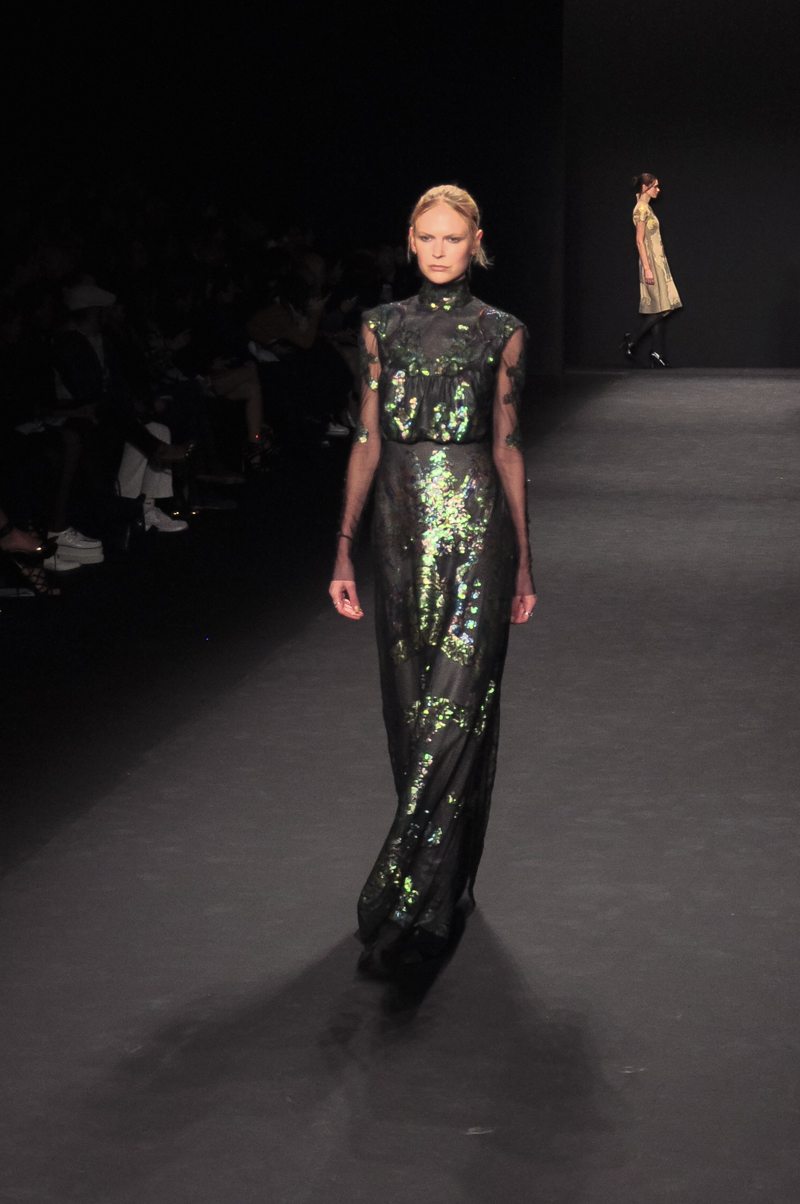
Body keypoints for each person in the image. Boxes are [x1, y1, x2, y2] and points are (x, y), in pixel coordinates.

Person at [329, 184, 536, 977]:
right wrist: (343, 550)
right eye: (428, 237)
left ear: (476, 242)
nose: (440, 250)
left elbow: (508, 446)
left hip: (478, 528)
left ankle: (410, 902)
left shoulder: (502, 332)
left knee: (457, 711)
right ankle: (447, 886)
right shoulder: (379, 327)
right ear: (411, 242)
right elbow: (366, 439)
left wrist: (524, 560)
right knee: (412, 712)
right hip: (397, 528)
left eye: (454, 237)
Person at [622, 174, 682, 368]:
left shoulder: (646, 208)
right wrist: (647, 269)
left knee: (660, 306)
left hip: (658, 262)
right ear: (645, 187)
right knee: (664, 307)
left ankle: (657, 352)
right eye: (655, 186)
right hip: (651, 263)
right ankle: (632, 339)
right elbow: (639, 241)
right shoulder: (641, 209)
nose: (658, 190)